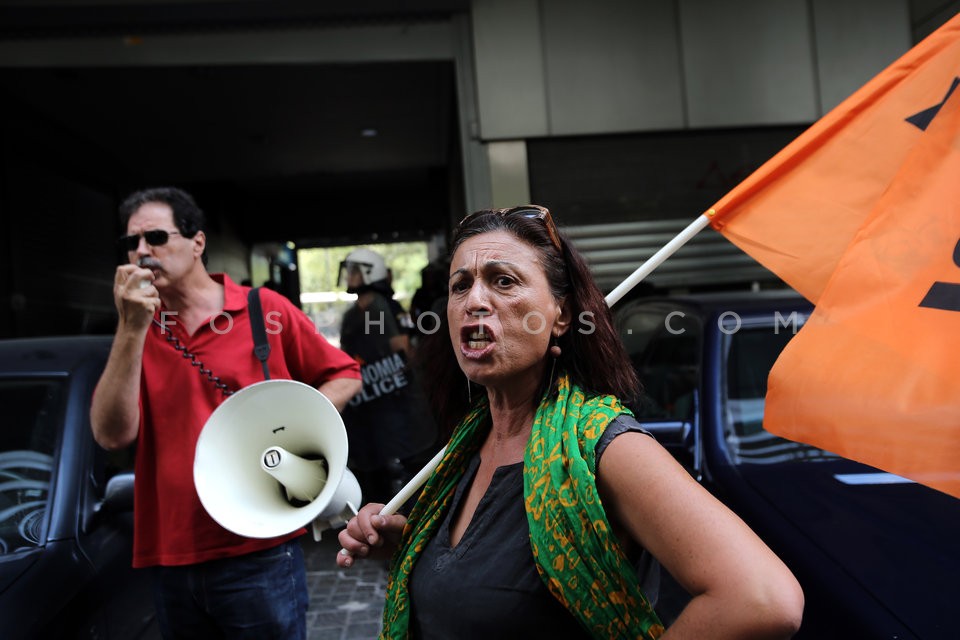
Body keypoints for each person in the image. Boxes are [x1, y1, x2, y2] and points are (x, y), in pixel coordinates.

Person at [335, 205, 804, 639]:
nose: (474, 300)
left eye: (503, 281)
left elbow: (763, 599)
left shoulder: (601, 446)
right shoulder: (465, 444)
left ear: (559, 317)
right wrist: (415, 547)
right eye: (461, 285)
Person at [90, 187, 362, 640]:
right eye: (130, 243)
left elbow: (344, 373)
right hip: (171, 554)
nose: (141, 251)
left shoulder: (263, 310)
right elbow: (112, 435)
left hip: (260, 550)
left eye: (155, 236)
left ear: (197, 242)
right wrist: (130, 327)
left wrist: (298, 424)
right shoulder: (136, 330)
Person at [338, 248, 437, 506]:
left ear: (370, 273)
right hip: (372, 406)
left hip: (396, 401)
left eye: (354, 271)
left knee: (408, 470)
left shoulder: (385, 308)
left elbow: (402, 351)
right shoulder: (353, 314)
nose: (349, 276)